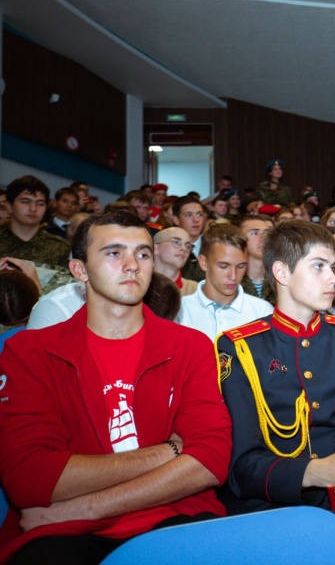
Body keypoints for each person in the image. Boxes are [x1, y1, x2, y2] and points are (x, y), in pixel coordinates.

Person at [0, 211, 232, 563]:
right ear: (79, 269)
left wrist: (84, 507)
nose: (132, 265)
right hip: (61, 535)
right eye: (113, 252)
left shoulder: (190, 346)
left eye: (143, 254)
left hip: (171, 516)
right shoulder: (30, 352)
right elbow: (30, 477)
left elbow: (209, 460)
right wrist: (169, 452)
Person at [216, 221, 335, 563]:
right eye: (319, 267)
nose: (333, 278)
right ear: (281, 272)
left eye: (332, 267)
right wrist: (311, 472)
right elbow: (242, 464)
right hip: (277, 503)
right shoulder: (241, 348)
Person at [176, 224, 273, 341]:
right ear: (203, 263)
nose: (233, 276)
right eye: (223, 266)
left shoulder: (262, 311)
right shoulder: (180, 311)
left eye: (240, 266)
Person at [0, 176, 70, 268]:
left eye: (40, 204)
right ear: (9, 206)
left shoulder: (60, 248)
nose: (33, 209)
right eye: (25, 202)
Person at [238, 215, 276, 304]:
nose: (263, 238)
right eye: (254, 233)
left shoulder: (279, 279)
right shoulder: (233, 280)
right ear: (240, 239)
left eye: (267, 233)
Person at [171, 196, 209, 282]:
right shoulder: (168, 249)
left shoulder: (213, 245)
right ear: (176, 220)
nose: (196, 220)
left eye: (199, 214)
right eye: (188, 215)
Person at [152, 227, 199, 296]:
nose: (184, 248)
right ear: (156, 248)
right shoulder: (141, 286)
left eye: (188, 246)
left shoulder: (196, 291)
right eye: (176, 242)